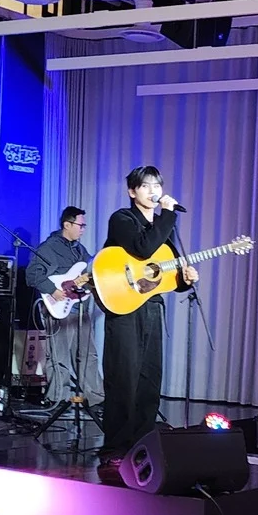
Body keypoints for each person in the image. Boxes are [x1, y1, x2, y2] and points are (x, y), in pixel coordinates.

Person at [100, 166, 194, 462]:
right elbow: (143, 249)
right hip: (124, 308)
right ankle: (115, 448)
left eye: (157, 185)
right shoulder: (122, 219)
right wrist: (167, 215)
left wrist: (185, 279)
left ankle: (141, 445)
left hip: (152, 308)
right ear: (132, 191)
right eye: (146, 185)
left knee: (149, 380)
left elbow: (164, 274)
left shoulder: (164, 228)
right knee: (123, 379)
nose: (154, 191)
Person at [26, 206, 102, 412]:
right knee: (59, 356)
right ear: (67, 225)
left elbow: (87, 272)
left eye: (84, 226)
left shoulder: (79, 250)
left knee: (88, 354)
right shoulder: (49, 248)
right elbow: (32, 274)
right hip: (59, 308)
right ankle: (58, 398)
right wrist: (53, 290)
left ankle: (95, 397)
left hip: (80, 308)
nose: (83, 229)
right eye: (80, 225)